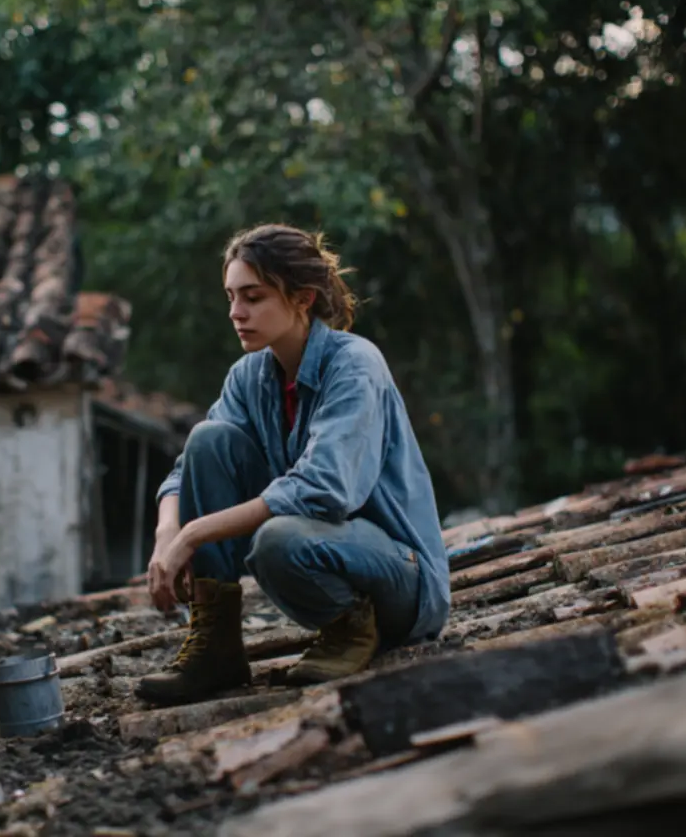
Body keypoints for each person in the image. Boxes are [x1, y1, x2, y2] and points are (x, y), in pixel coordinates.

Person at [135, 223, 451, 706]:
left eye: (253, 297)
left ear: (303, 299)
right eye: (231, 297)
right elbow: (187, 471)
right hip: (316, 551)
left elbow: (321, 488)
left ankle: (352, 629)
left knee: (277, 538)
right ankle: (216, 647)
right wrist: (167, 534)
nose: (236, 313)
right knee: (208, 441)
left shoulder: (354, 364)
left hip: (400, 581)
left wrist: (193, 535)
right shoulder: (249, 376)